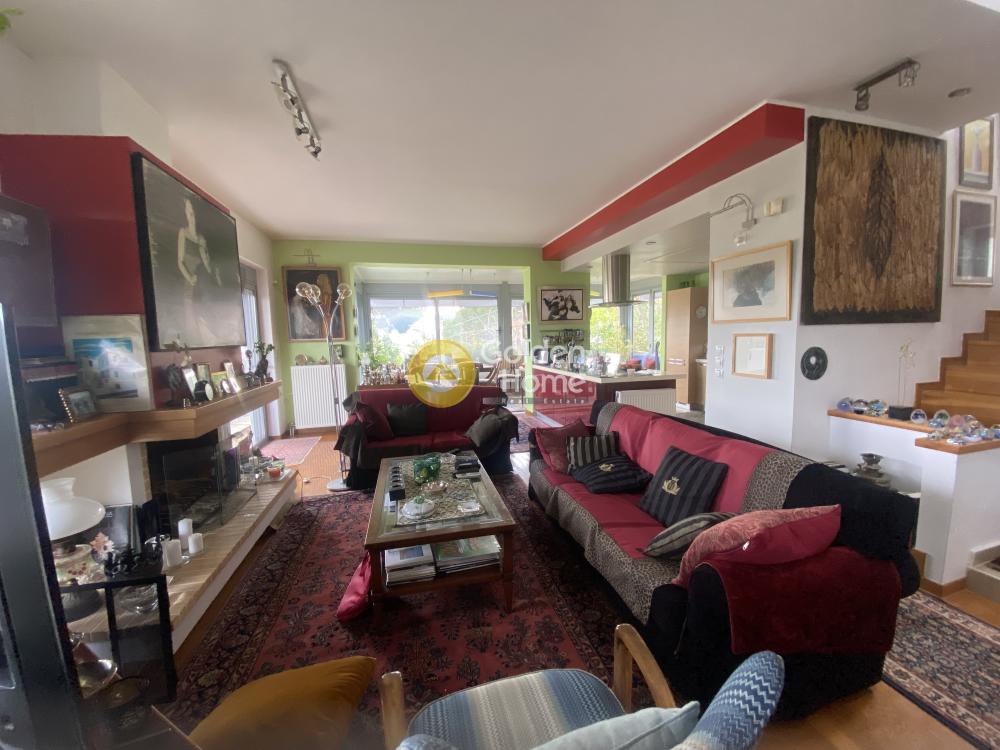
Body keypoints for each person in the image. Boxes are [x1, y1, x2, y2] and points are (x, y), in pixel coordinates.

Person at [176, 197, 222, 342]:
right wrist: (190, 278)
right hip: (189, 283)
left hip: (202, 285)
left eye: (192, 210)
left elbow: (208, 267)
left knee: (204, 319)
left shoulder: (201, 239)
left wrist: (204, 250)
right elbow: (180, 261)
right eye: (187, 209)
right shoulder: (183, 233)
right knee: (191, 320)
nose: (190, 213)